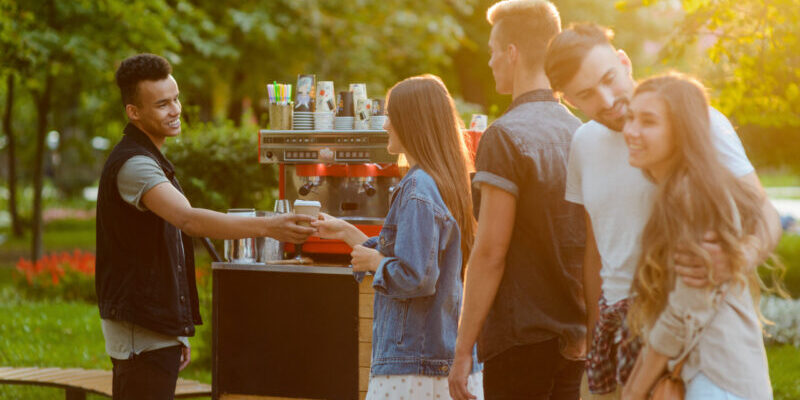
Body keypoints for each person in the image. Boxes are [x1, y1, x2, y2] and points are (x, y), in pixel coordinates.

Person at [544, 23, 782, 399]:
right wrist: (595, 327)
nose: (606, 100)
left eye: (609, 78)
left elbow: (763, 213)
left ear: (623, 62)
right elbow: (597, 243)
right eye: (587, 94)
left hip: (683, 324)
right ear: (570, 101)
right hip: (616, 325)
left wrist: (737, 257)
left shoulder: (694, 124)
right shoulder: (583, 143)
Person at [96, 53, 315, 400]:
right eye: (162, 104)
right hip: (141, 328)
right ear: (133, 112)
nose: (175, 110)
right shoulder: (134, 165)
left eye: (176, 99)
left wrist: (176, 333)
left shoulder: (150, 158)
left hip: (154, 328)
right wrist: (270, 226)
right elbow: (189, 219)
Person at [312, 74, 484, 400]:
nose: (385, 125)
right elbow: (415, 254)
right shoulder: (443, 182)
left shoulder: (418, 188)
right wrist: (348, 233)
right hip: (437, 358)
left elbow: (416, 276)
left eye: (391, 115)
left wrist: (376, 261)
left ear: (412, 122)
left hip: (413, 368)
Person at [448, 1, 587, 399]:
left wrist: (462, 353)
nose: (490, 62)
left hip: (520, 339)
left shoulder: (504, 136)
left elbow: (490, 251)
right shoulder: (579, 132)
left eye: (493, 51)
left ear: (512, 53)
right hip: (573, 341)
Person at [620, 73, 776, 400]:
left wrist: (633, 391)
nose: (631, 131)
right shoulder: (678, 189)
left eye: (648, 122)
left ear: (681, 132)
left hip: (716, 380)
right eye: (630, 117)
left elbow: (682, 314)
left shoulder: (692, 196)